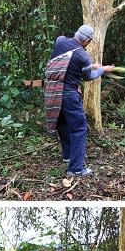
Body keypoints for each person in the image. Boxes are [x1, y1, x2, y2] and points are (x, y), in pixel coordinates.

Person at [44, 24, 115, 177]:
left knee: (62, 123)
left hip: (52, 91)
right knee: (79, 128)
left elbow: (71, 62)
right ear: (87, 41)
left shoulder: (60, 41)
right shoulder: (83, 56)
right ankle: (75, 168)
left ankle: (68, 155)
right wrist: (103, 69)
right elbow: (88, 76)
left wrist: (91, 65)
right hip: (68, 94)